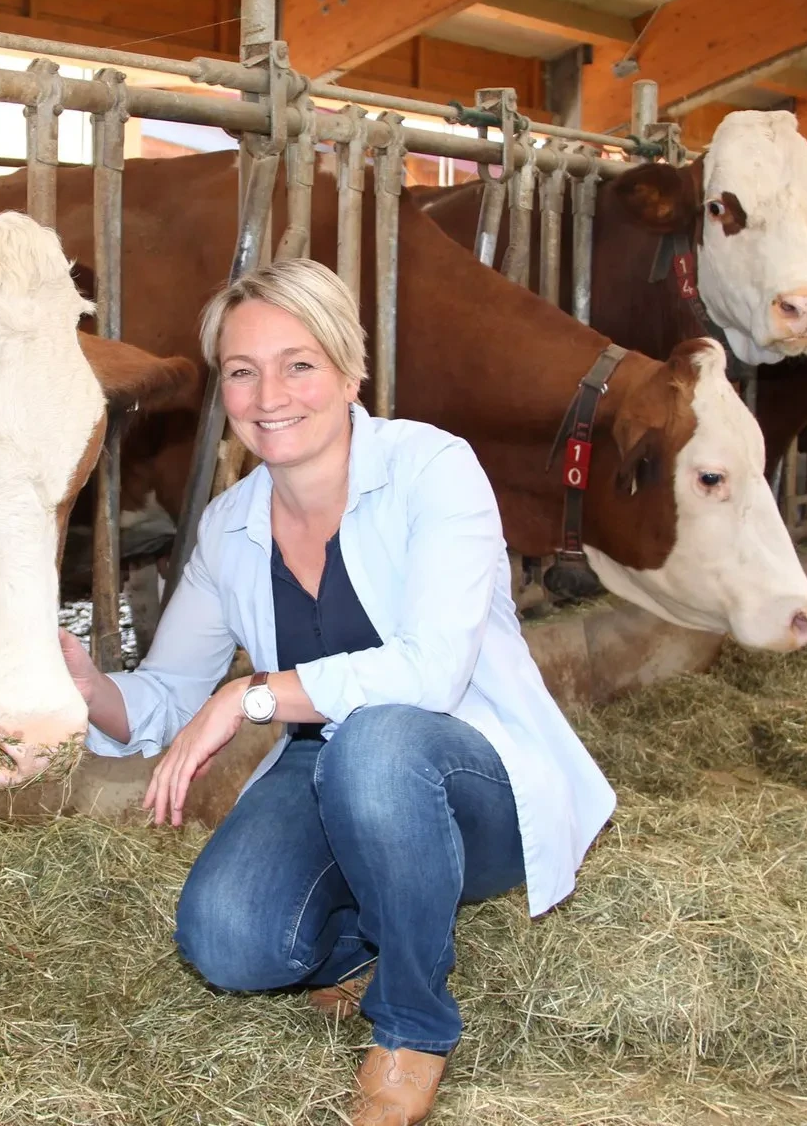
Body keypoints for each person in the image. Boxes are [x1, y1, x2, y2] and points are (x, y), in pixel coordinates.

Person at [59, 257, 615, 1125]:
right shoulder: (230, 526)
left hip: (470, 777)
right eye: (242, 372)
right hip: (329, 770)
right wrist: (89, 688)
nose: (270, 393)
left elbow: (430, 672)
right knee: (229, 941)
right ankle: (365, 933)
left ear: (353, 373)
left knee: (378, 741)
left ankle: (412, 1025)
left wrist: (249, 697)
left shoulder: (434, 469)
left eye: (299, 364)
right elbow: (169, 692)